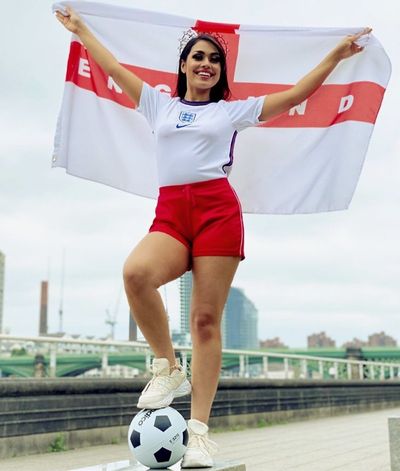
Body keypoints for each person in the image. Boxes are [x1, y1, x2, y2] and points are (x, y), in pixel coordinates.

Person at [55, 7, 371, 468]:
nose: (206, 64)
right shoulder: (158, 103)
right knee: (136, 273)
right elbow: (113, 69)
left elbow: (298, 92)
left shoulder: (232, 111)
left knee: (205, 320)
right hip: (171, 213)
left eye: (214, 61)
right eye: (198, 57)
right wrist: (82, 30)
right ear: (183, 65)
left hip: (217, 213)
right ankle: (167, 367)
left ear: (220, 73)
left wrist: (337, 56)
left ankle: (198, 434)